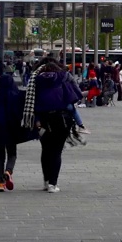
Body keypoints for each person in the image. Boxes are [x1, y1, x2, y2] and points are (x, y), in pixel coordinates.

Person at [30, 57, 83, 193]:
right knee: (56, 151)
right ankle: (53, 184)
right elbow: (76, 92)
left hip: (43, 119)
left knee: (46, 149)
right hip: (62, 117)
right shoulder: (64, 76)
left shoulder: (36, 79)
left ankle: (46, 180)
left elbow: (31, 100)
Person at [0, 70, 38, 192]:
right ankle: (8, 171)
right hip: (12, 130)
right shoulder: (17, 97)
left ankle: (0, 182)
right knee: (12, 154)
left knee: (0, 155)